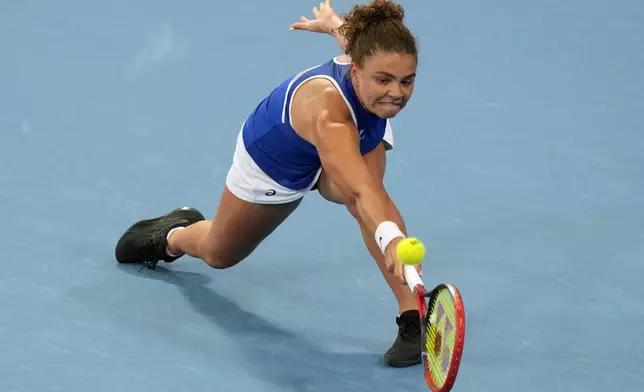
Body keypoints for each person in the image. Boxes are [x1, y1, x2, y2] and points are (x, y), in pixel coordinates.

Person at [115, 0, 424, 368]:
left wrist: (333, 24)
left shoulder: (369, 75)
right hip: (275, 159)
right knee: (219, 254)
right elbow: (359, 190)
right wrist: (390, 237)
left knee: (368, 203)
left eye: (407, 81)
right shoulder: (327, 111)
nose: (397, 93)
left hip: (347, 140)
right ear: (355, 72)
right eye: (384, 80)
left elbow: (366, 194)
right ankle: (174, 233)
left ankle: (413, 317)